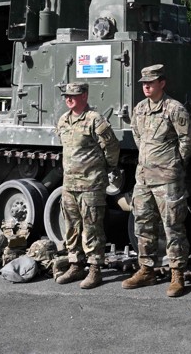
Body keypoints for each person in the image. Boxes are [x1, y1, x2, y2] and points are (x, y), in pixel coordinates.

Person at [121, 64, 191, 297]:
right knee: (143, 224)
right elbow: (137, 137)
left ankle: (177, 274)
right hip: (143, 178)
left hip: (167, 180)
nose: (146, 87)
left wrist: (173, 163)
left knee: (172, 226)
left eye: (150, 83)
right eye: (143, 83)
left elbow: (188, 141)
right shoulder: (140, 109)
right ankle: (147, 270)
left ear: (162, 83)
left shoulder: (174, 109)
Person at [54, 81, 120, 289]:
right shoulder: (64, 120)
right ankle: (75, 265)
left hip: (91, 184)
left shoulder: (95, 120)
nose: (69, 98)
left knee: (92, 228)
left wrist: (107, 168)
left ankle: (94, 270)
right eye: (66, 95)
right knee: (71, 227)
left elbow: (111, 147)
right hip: (69, 184)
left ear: (85, 96)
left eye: (73, 95)